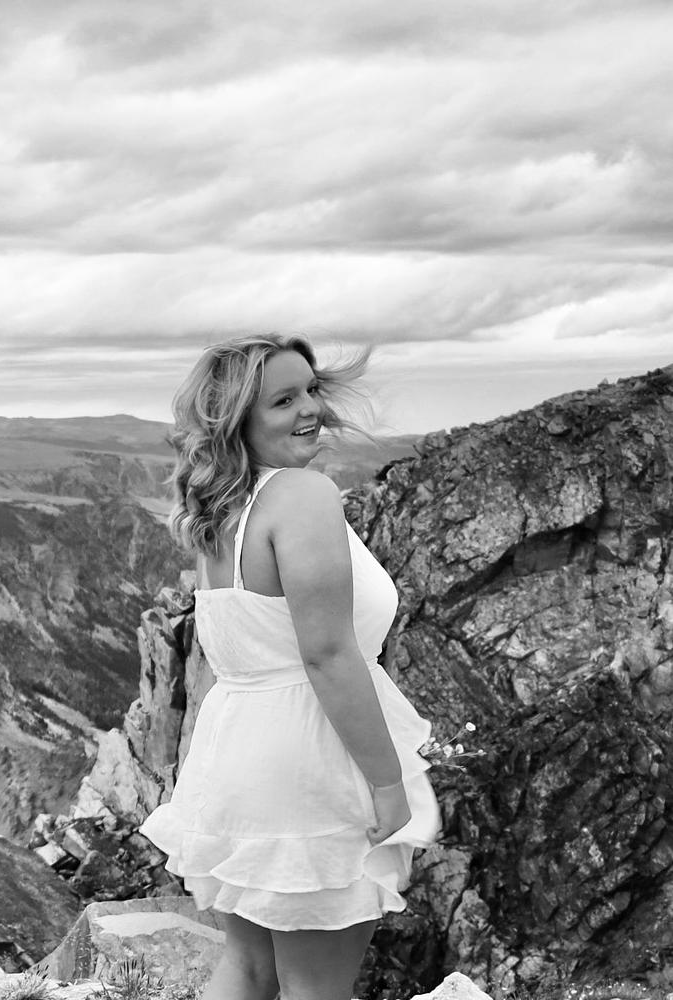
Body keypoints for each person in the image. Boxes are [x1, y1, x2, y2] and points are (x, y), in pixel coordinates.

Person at [138, 334, 440, 1000]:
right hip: (313, 762)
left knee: (248, 970)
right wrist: (386, 783)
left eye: (310, 390)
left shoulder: (224, 511)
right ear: (237, 420)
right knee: (315, 989)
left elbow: (240, 653)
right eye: (283, 400)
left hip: (237, 759)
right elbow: (326, 654)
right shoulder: (302, 495)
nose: (311, 410)